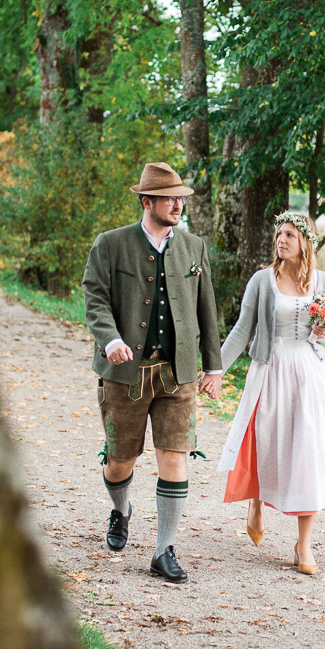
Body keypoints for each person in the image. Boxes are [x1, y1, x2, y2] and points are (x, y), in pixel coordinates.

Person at [82, 162, 223, 583]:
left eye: (181, 198)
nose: (178, 204)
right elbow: (95, 297)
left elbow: (207, 308)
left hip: (177, 373)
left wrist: (213, 365)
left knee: (175, 456)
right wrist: (109, 339)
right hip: (124, 374)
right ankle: (121, 509)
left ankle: (163, 550)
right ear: (147, 202)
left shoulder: (194, 247)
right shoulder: (110, 244)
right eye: (170, 198)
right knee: (120, 461)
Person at [216, 212, 325, 575]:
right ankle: (256, 502)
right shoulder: (263, 281)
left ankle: (304, 544)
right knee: (267, 443)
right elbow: (241, 331)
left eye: (290, 235)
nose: (282, 239)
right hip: (271, 369)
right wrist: (214, 369)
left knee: (307, 451)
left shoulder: (323, 280)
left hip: (312, 374)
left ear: (305, 242)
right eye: (279, 233)